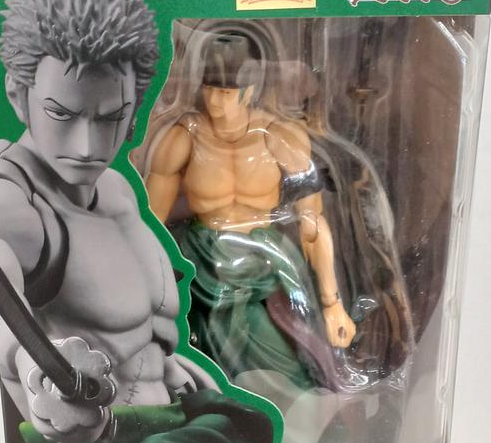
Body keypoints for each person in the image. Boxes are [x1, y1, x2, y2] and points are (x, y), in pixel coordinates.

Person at [0, 0, 328, 443]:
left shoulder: (117, 191)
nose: (87, 145)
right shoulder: (10, 200)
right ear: (19, 96)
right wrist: (35, 365)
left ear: (134, 109)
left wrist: (167, 363)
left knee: (242, 426)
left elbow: (134, 328)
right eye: (61, 114)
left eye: (110, 117)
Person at [143, 32, 357, 390]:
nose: (215, 101)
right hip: (201, 265)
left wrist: (332, 303)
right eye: (210, 89)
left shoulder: (281, 137)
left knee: (292, 368)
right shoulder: (182, 137)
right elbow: (150, 225)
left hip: (265, 263)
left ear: (250, 90)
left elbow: (312, 223)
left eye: (226, 92)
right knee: (198, 366)